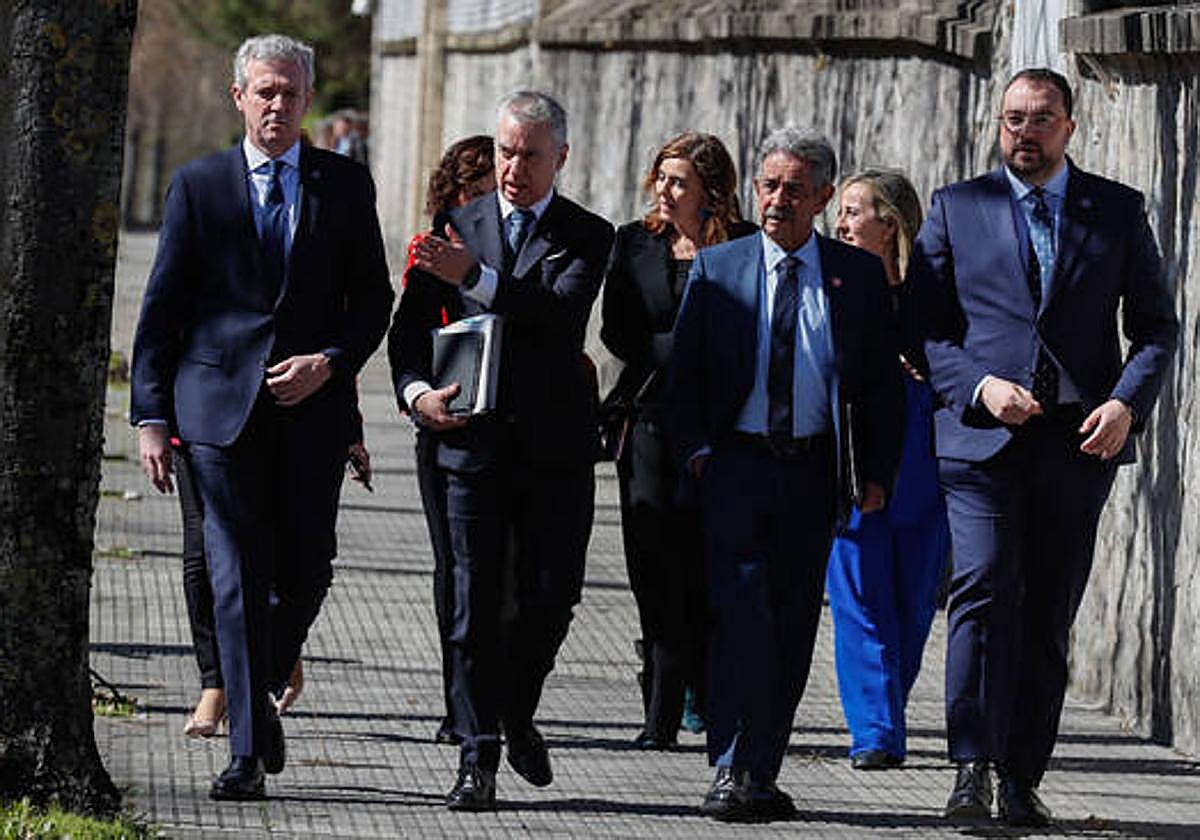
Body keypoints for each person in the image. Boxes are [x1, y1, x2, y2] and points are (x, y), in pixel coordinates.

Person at [907, 68, 1178, 827]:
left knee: (1047, 612)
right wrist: (979, 387)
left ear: (1070, 124)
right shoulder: (958, 208)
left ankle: (1023, 774)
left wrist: (1127, 401)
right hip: (980, 440)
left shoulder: (1116, 211)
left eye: (1041, 119)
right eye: (1013, 119)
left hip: (1074, 443)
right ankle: (970, 768)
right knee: (984, 589)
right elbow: (922, 327)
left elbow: (1156, 326)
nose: (1024, 132)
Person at [131, 33, 393, 801]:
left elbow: (373, 302)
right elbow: (162, 311)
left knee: (309, 566)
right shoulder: (199, 185)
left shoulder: (345, 185)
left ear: (308, 99)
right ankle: (245, 751)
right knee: (235, 575)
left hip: (310, 410)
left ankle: (263, 682)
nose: (277, 104)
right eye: (264, 91)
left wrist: (331, 364)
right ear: (239, 96)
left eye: (289, 91)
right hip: (215, 414)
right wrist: (150, 416)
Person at [666, 128, 904, 822]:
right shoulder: (721, 269)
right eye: (769, 186)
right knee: (739, 618)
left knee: (791, 624)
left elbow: (879, 389)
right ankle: (729, 764)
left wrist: (876, 471)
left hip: (810, 471)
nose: (776, 200)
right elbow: (684, 378)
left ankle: (761, 769)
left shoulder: (853, 278)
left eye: (794, 190)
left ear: (824, 197)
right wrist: (698, 453)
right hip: (735, 465)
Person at [387, 91, 614, 811]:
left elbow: (554, 318)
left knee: (551, 598)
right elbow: (410, 330)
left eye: (530, 155)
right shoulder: (459, 224)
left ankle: (517, 709)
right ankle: (476, 755)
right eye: (505, 151)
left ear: (560, 160)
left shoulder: (587, 234)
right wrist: (416, 392)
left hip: (553, 451)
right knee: (472, 600)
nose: (514, 167)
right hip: (470, 448)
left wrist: (477, 279)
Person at [600, 132, 754, 750]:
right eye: (660, 178)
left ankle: (716, 707)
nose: (664, 191)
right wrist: (681, 352)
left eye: (679, 181)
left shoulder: (743, 248)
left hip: (721, 430)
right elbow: (618, 330)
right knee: (653, 570)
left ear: (710, 191)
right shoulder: (633, 242)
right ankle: (658, 716)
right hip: (650, 422)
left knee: (709, 570)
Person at [824, 169, 950, 770]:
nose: (841, 223)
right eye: (841, 212)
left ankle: (887, 712)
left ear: (890, 225)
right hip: (854, 456)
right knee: (858, 596)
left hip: (925, 461)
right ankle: (875, 732)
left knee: (913, 601)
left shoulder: (934, 291)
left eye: (854, 212)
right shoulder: (833, 284)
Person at [405, 134, 496, 746]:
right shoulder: (430, 252)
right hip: (447, 423)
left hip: (515, 433)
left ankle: (495, 700)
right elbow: (406, 335)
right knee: (455, 574)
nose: (483, 208)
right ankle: (457, 702)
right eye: (474, 196)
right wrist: (419, 394)